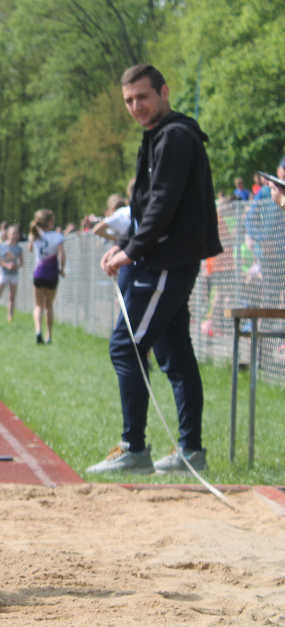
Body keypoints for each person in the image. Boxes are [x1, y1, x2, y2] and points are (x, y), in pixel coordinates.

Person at [88, 63, 222, 475]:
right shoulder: (157, 137)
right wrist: (123, 243)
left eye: (143, 97)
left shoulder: (175, 136)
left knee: (125, 346)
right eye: (129, 100)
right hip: (161, 257)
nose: (136, 107)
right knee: (174, 354)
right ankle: (190, 451)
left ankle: (134, 448)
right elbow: (146, 205)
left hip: (166, 261)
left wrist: (131, 251)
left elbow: (163, 204)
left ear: (164, 92)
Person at [28, 209, 65, 344]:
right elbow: (62, 256)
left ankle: (38, 331)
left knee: (38, 305)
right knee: (48, 305)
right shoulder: (57, 236)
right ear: (50, 222)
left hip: (38, 273)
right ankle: (49, 335)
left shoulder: (35, 235)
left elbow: (30, 248)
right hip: (52, 273)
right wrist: (62, 269)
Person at [0, 224, 23, 323]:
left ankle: (10, 316)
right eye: (12, 233)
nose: (14, 235)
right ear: (8, 234)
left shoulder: (19, 248)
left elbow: (22, 263)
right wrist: (7, 265)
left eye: (16, 233)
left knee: (12, 296)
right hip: (3, 273)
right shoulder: (3, 246)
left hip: (14, 274)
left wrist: (15, 266)